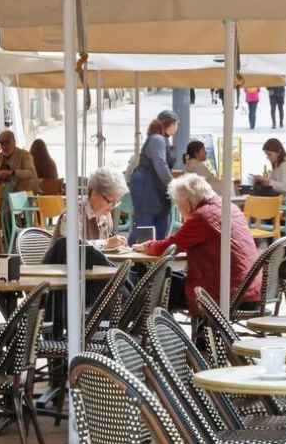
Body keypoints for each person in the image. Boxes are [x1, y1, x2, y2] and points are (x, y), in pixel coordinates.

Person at [132, 174, 260, 316]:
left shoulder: (202, 216)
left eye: (178, 204)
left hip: (225, 294)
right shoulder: (229, 208)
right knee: (170, 280)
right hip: (250, 290)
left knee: (155, 285)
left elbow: (168, 247)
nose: (179, 209)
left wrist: (146, 246)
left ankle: (160, 333)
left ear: (187, 202)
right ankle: (187, 334)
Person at [52, 167, 129, 250]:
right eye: (110, 201)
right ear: (94, 193)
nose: (113, 207)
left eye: (116, 202)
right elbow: (71, 248)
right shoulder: (73, 214)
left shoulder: (105, 216)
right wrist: (106, 243)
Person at [130, 113, 179, 240]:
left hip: (154, 187)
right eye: (176, 124)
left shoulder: (159, 138)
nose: (177, 127)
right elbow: (160, 164)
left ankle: (151, 255)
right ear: (171, 124)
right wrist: (174, 186)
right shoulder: (157, 139)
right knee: (145, 226)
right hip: (147, 186)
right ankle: (137, 256)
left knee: (156, 224)